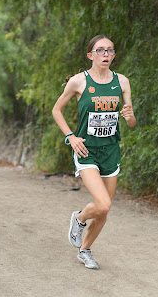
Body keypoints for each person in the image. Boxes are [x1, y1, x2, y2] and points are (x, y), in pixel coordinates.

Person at [52, 34, 136, 270]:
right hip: (86, 150)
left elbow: (130, 120)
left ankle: (85, 250)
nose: (106, 54)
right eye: (100, 50)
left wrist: (130, 118)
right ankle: (78, 218)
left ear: (114, 54)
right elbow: (56, 110)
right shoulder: (79, 82)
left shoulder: (122, 82)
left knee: (103, 210)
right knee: (104, 203)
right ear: (90, 55)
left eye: (110, 50)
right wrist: (71, 136)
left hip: (110, 150)